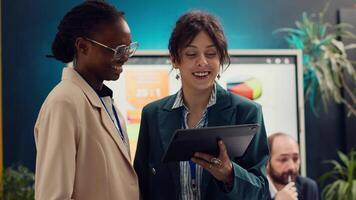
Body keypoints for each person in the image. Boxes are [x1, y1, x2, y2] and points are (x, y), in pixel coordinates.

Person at [134, 11, 269, 200]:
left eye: (211, 54)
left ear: (220, 59)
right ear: (174, 59)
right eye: (191, 54)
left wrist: (230, 174)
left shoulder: (247, 112)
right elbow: (141, 185)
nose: (202, 62)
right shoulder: (153, 114)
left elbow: (261, 191)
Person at [34, 1, 139, 200]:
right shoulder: (64, 102)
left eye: (128, 49)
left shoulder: (107, 103)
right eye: (118, 49)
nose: (125, 57)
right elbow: (53, 196)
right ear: (83, 46)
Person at [267, 133, 319, 200]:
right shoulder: (254, 190)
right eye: (283, 159)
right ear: (267, 162)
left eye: (295, 158)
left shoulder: (308, 187)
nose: (291, 167)